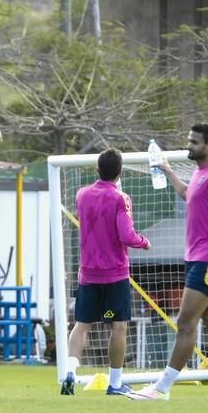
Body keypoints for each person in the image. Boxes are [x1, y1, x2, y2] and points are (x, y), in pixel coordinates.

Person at [127, 124, 208, 402]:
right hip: (195, 258)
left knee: (185, 323)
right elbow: (188, 195)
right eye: (189, 140)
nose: (189, 145)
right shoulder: (199, 173)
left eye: (194, 142)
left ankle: (161, 388)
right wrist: (167, 170)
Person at [61, 148, 151, 396]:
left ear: (97, 169)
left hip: (87, 273)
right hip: (114, 274)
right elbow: (126, 235)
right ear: (120, 171)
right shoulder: (120, 198)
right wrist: (144, 241)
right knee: (118, 327)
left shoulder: (81, 195)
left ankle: (69, 372)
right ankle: (114, 383)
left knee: (81, 325)